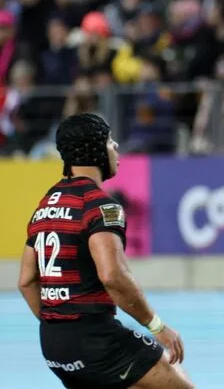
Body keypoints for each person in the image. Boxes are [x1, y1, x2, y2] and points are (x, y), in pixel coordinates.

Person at [16, 113, 193, 389]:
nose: (116, 147)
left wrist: (60, 327)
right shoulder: (100, 205)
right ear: (95, 149)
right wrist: (157, 326)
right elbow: (113, 275)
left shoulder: (45, 205)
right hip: (95, 340)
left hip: (52, 344)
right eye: (110, 141)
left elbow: (26, 281)